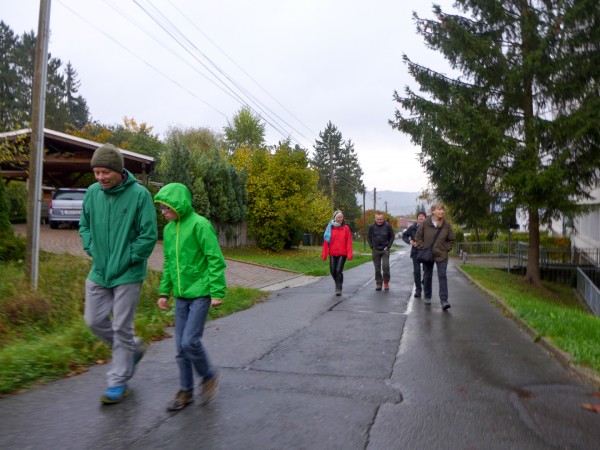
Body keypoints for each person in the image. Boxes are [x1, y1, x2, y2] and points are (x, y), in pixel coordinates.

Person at [79, 143, 158, 404]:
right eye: (96, 172)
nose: (100, 178)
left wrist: (130, 259)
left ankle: (117, 382)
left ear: (118, 170)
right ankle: (132, 348)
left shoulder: (139, 195)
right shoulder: (92, 193)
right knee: (93, 320)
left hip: (128, 273)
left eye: (105, 172)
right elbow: (84, 225)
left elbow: (148, 235)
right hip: (100, 271)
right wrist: (90, 247)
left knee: (122, 326)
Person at [154, 183, 226, 412]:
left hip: (201, 293)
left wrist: (216, 291)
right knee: (179, 347)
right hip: (181, 296)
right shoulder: (168, 230)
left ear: (179, 205)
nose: (163, 212)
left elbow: (214, 258)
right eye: (161, 208)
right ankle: (185, 391)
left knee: (189, 342)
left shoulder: (200, 225)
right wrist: (164, 291)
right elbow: (168, 264)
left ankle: (209, 375)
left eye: (166, 208)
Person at [415, 203, 455, 310]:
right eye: (439, 209)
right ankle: (427, 296)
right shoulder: (425, 223)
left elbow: (451, 240)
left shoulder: (446, 225)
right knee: (427, 276)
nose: (441, 211)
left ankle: (444, 300)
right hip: (428, 254)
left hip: (441, 255)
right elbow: (418, 237)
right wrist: (422, 247)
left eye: (443, 209)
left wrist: (446, 248)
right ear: (433, 211)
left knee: (442, 276)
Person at [322, 210, 353, 296]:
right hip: (332, 253)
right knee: (332, 271)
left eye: (342, 217)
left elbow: (349, 242)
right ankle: (338, 283)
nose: (341, 219)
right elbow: (326, 242)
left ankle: (339, 288)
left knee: (338, 270)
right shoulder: (330, 228)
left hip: (342, 253)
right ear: (335, 218)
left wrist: (349, 254)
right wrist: (324, 254)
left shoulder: (346, 228)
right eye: (339, 217)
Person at [367, 212, 395, 291]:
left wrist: (388, 246)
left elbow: (392, 236)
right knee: (377, 268)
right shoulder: (372, 227)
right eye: (377, 219)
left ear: (383, 219)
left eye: (381, 219)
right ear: (375, 219)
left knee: (385, 266)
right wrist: (371, 246)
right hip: (375, 250)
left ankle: (386, 281)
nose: (379, 221)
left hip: (385, 249)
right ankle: (378, 282)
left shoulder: (388, 226)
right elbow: (368, 237)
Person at [402, 211, 427, 297]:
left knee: (426, 270)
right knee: (416, 271)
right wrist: (410, 241)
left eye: (423, 216)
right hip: (415, 251)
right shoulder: (412, 228)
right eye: (419, 216)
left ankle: (425, 282)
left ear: (425, 218)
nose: (421, 217)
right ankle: (418, 290)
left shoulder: (429, 227)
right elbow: (404, 235)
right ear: (417, 218)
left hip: (425, 251)